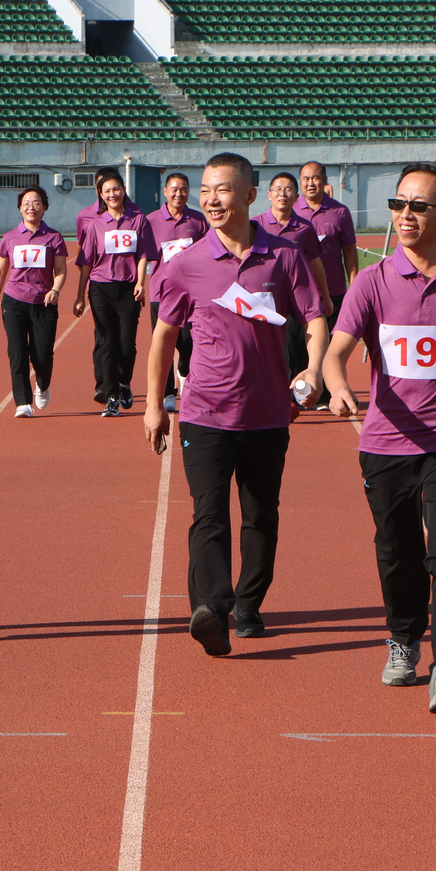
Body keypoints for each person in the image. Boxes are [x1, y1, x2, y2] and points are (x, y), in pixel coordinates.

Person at [322, 162, 436, 714]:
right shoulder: (372, 281)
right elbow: (336, 352)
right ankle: (403, 638)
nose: (405, 215)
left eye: (418, 206)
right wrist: (338, 387)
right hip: (386, 440)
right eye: (398, 204)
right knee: (397, 549)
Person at [144, 152, 327, 656]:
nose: (210, 199)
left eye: (221, 189)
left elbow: (314, 317)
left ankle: (248, 604)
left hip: (267, 414)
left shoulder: (284, 257)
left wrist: (312, 368)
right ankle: (212, 609)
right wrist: (155, 404)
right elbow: (163, 337)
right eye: (205, 190)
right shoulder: (186, 265)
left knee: (260, 515)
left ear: (249, 195)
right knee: (208, 514)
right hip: (204, 411)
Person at [73, 170, 154, 418]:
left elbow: (143, 254)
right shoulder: (95, 224)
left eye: (116, 189)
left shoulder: (138, 221)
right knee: (107, 342)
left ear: (124, 190)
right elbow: (86, 263)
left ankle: (124, 383)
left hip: (128, 288)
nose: (112, 194)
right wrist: (80, 296)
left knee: (127, 345)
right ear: (100, 194)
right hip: (100, 287)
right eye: (106, 191)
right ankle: (111, 397)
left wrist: (141, 283)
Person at [0, 185, 67, 418]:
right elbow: (0, 270)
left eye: (36, 203)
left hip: (44, 303)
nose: (31, 207)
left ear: (44, 207)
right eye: (26, 204)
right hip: (14, 301)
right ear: (20, 208)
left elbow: (61, 270)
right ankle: (22, 402)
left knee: (42, 355)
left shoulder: (54, 237)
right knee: (17, 352)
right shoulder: (10, 237)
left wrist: (55, 290)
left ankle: (42, 384)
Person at [256, 172, 334, 412]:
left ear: (296, 196)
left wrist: (325, 295)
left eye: (288, 189)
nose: (282, 194)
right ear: (269, 195)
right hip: (266, 297)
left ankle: (309, 392)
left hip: (298, 295)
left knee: (298, 341)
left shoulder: (304, 228)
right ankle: (281, 396)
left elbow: (316, 263)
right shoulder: (256, 225)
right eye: (277, 189)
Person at [296, 161, 360, 408]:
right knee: (300, 344)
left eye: (315, 178)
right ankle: (301, 393)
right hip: (300, 293)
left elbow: (349, 251)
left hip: (334, 291)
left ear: (324, 181)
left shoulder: (340, 212)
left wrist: (354, 286)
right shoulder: (292, 211)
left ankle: (325, 395)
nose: (310, 183)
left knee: (330, 347)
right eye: (305, 178)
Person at [145, 171, 208, 413]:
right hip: (160, 293)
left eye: (183, 189)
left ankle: (184, 369)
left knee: (189, 341)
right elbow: (143, 256)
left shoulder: (198, 221)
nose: (178, 194)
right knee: (163, 343)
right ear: (165, 191)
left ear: (189, 192)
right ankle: (168, 393)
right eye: (174, 189)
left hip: (190, 293)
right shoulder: (151, 221)